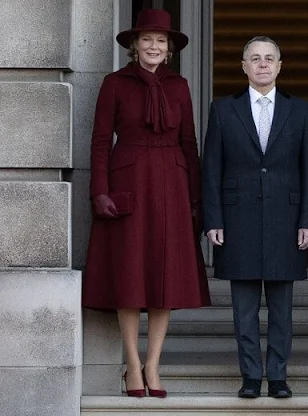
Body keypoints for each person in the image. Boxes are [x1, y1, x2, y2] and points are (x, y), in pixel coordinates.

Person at [82, 9, 211, 398]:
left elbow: (190, 144)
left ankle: (153, 363)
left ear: (169, 49)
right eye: (147, 40)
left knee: (164, 275)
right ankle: (132, 363)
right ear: (134, 46)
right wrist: (99, 191)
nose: (154, 46)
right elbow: (101, 141)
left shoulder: (180, 86)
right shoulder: (114, 84)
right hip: (129, 181)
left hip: (171, 183)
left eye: (161, 41)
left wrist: (195, 197)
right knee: (130, 274)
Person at [201, 36, 308, 399]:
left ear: (280, 66)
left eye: (270, 59)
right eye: (255, 58)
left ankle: (279, 376)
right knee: (245, 308)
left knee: (282, 309)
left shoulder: (299, 110)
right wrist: (213, 220)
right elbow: (211, 170)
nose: (263, 64)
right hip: (239, 220)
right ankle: (251, 376)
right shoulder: (223, 109)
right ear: (244, 66)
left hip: (287, 220)